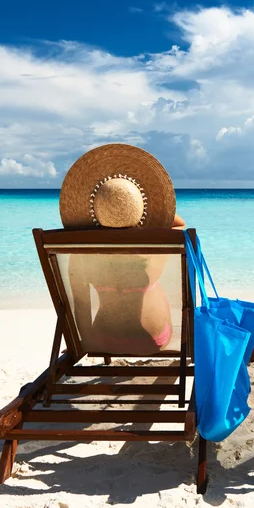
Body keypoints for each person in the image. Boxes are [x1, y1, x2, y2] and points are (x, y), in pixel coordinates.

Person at [58, 143, 184, 355]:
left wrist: (86, 344)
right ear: (140, 206)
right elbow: (180, 225)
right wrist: (152, 208)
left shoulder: (80, 250)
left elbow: (80, 305)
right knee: (153, 288)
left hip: (102, 340)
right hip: (153, 340)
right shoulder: (159, 243)